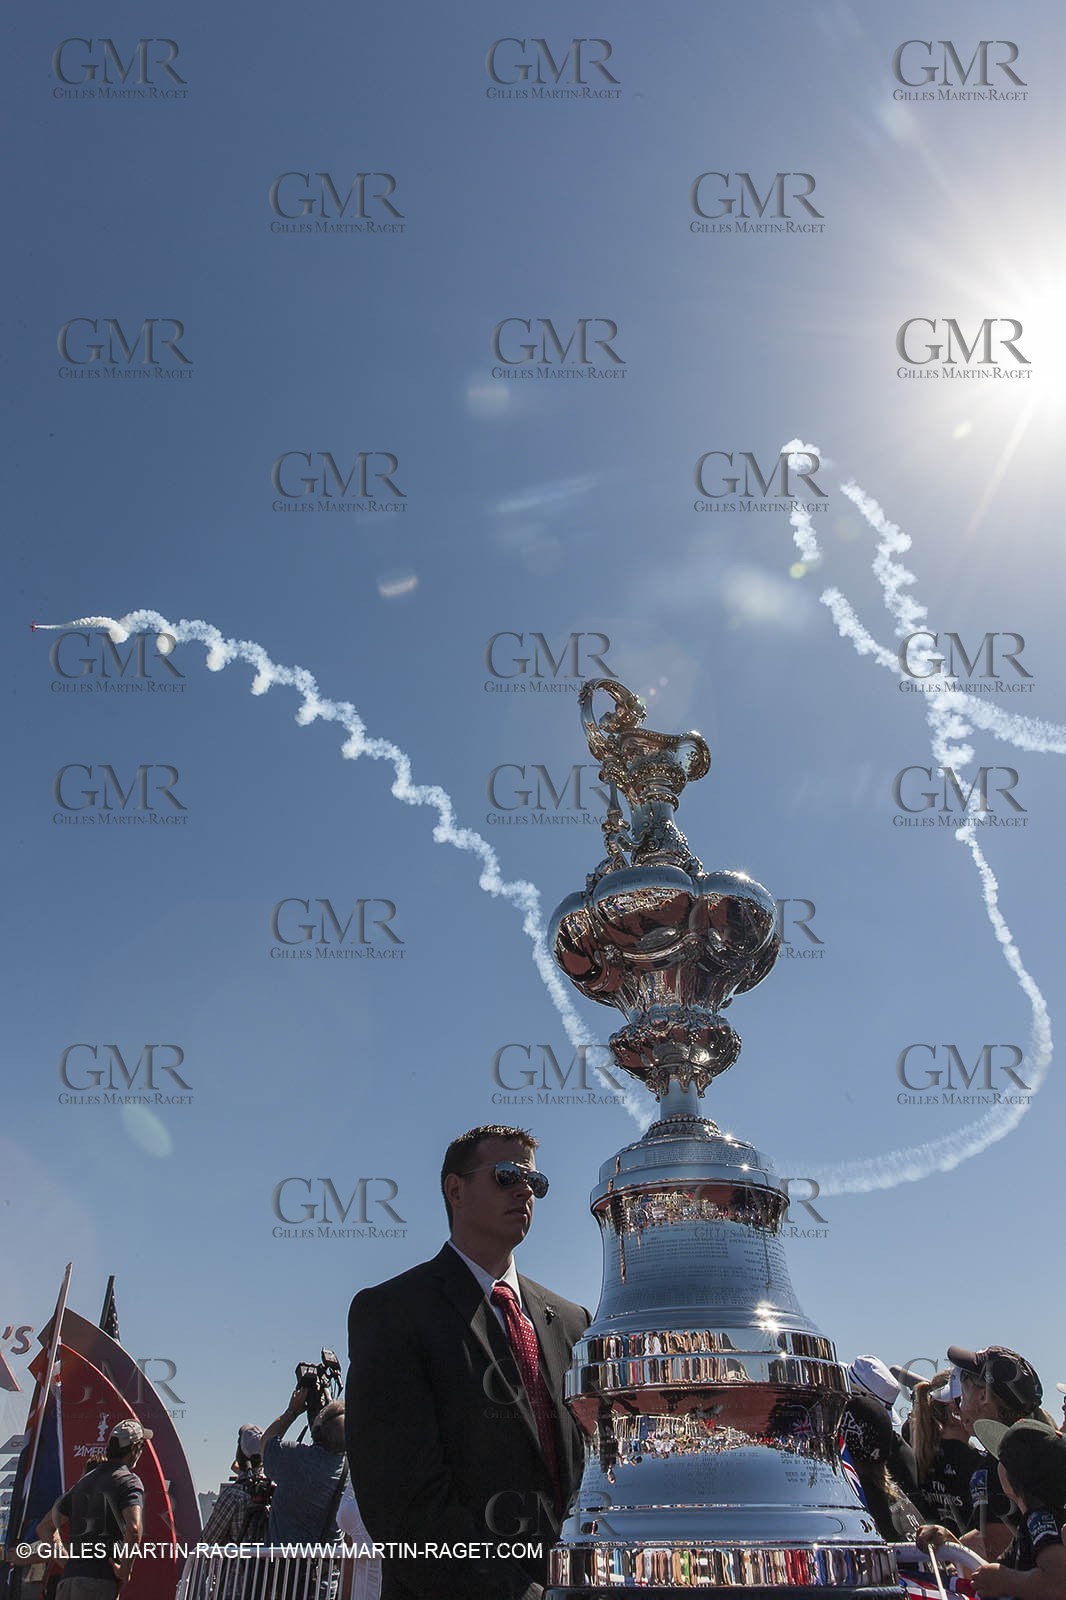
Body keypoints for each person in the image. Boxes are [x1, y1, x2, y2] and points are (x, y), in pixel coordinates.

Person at [345, 1124, 590, 1600]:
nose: (524, 1190)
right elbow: (404, 1504)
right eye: (506, 1175)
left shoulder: (573, 1322)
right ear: (454, 1190)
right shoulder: (393, 1312)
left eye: (534, 1183)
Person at [917, 1344, 1051, 1562]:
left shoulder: (999, 1464)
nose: (958, 1403)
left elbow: (996, 1552)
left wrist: (954, 1552)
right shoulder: (1033, 1451)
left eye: (963, 1389)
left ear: (982, 1397)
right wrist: (953, 1543)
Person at [36, 1417, 149, 1599]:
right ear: (134, 1449)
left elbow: (44, 1528)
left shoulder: (83, 1482)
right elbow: (134, 1528)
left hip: (67, 1584)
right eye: (142, 1447)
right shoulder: (128, 1481)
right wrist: (125, 1570)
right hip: (98, 1582)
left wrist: (69, 1563)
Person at [969, 1418, 1066, 1597]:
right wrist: (950, 1545)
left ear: (1013, 1475)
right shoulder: (1031, 1521)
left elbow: (1059, 1583)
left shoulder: (1043, 1518)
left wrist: (1008, 1582)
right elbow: (998, 1569)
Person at [261, 1392, 347, 1544]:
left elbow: (265, 1445)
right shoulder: (348, 1471)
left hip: (284, 1564)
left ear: (318, 1431)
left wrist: (291, 1412)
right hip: (324, 1564)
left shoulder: (296, 1458)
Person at [910, 1369, 984, 1536]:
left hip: (930, 1555)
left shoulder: (918, 1457)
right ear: (955, 1408)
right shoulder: (978, 1462)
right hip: (968, 1558)